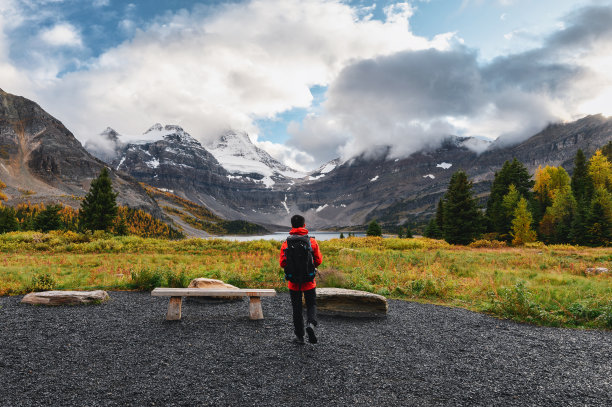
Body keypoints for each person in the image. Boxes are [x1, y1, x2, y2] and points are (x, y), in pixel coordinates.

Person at [279, 214, 323, 344]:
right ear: (304, 225)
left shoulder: (286, 243)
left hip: (293, 283)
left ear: (292, 226)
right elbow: (318, 260)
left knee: (296, 308)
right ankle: (311, 324)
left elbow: (282, 263)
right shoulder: (312, 241)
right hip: (309, 281)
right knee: (311, 304)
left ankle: (299, 336)